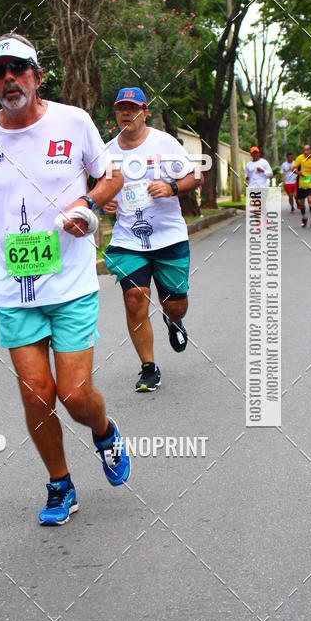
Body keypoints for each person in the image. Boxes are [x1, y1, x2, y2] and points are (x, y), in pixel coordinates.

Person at [0, 33, 129, 526]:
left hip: (70, 282)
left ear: (37, 76)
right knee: (36, 393)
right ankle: (60, 485)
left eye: (18, 69)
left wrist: (84, 203)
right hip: (15, 286)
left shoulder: (73, 121)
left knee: (74, 396)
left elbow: (111, 178)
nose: (9, 79)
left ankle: (104, 431)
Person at [102, 87, 200, 392]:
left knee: (176, 305)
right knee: (135, 298)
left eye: (132, 108)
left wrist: (171, 186)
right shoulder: (107, 152)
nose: (126, 113)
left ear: (145, 111)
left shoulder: (165, 143)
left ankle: (174, 321)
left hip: (169, 235)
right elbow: (99, 188)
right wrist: (105, 203)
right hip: (128, 238)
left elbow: (196, 176)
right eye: (121, 108)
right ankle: (148, 367)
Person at [245, 146, 273, 230]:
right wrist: (247, 177)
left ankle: (265, 221)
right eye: (253, 153)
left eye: (256, 152)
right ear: (251, 154)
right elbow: (246, 175)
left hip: (263, 186)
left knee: (262, 205)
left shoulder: (264, 162)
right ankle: (258, 223)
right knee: (256, 205)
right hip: (253, 187)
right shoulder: (248, 164)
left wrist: (263, 171)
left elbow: (270, 173)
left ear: (258, 153)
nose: (255, 154)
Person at [294, 143, 311, 229]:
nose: (306, 152)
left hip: (310, 183)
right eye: (304, 150)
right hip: (301, 184)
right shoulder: (300, 158)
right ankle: (304, 217)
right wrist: (298, 173)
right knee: (301, 204)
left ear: (310, 151)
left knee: (310, 200)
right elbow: (293, 169)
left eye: (307, 150)